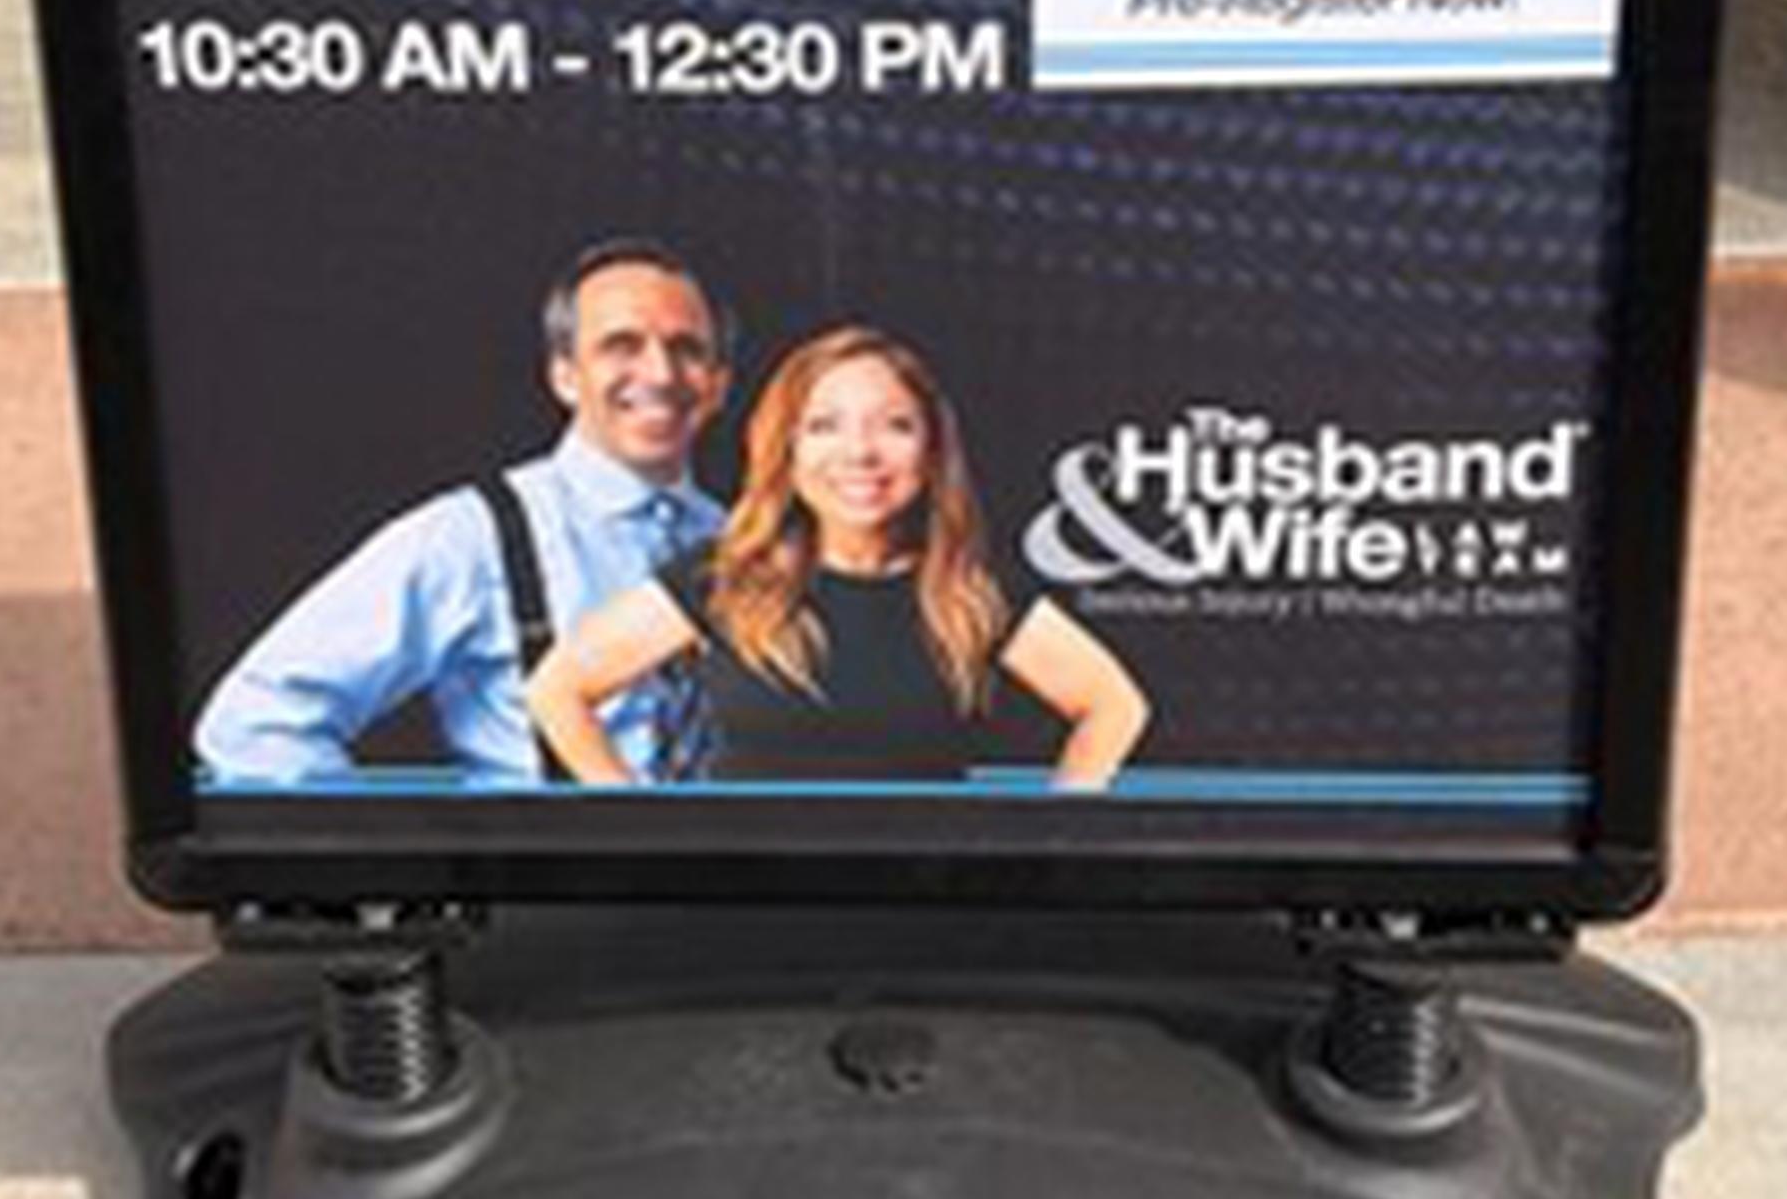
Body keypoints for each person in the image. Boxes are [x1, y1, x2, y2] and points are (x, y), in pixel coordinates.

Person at [189, 242, 733, 790]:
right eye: (622, 345)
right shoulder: (471, 536)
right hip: (549, 871)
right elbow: (256, 723)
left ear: (717, 384)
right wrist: (394, 867)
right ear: (565, 376)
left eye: (687, 348)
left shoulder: (745, 541)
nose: (661, 373)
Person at [526, 324, 1149, 791]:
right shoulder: (723, 577)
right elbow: (559, 688)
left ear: (931, 451)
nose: (860, 452)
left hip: (928, 910)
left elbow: (1113, 704)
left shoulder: (973, 591)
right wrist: (646, 833)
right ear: (788, 449)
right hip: (741, 910)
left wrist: (1049, 838)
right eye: (824, 426)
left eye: (895, 426)